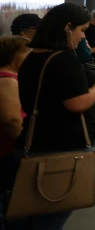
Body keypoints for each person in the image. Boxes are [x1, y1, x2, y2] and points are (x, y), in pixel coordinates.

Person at [14, 3, 95, 229]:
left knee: (32, 214)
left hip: (37, 140)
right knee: (50, 217)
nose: (82, 37)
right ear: (67, 27)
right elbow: (77, 103)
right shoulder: (64, 59)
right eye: (81, 31)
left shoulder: (32, 57)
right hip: (60, 146)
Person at [0, 36, 28, 219]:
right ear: (14, 55)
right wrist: (24, 147)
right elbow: (12, 120)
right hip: (8, 151)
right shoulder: (6, 79)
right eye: (27, 52)